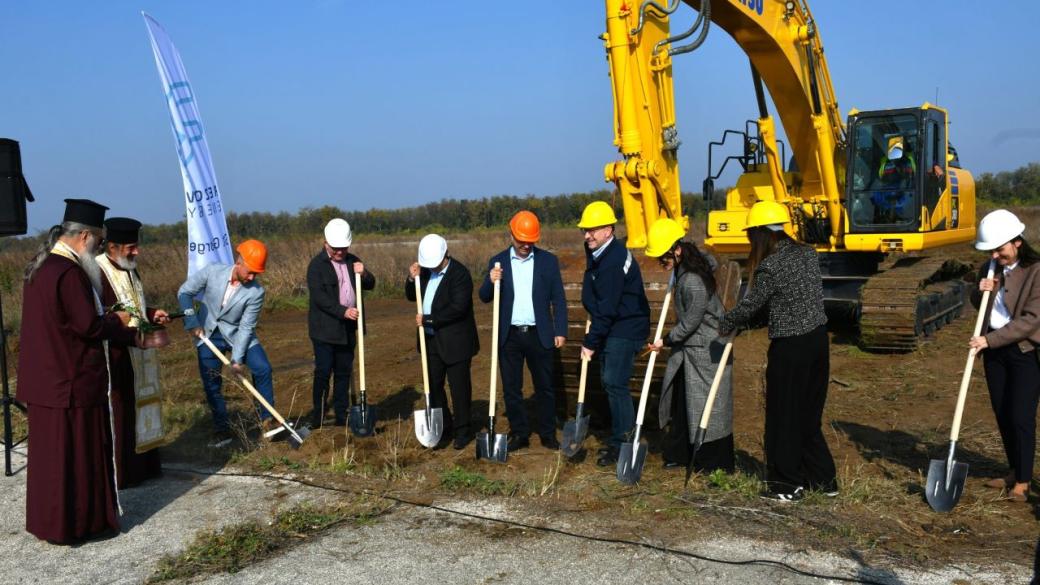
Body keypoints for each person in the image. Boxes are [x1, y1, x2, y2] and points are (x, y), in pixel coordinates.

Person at [17, 198, 134, 544]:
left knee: (50, 462)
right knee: (75, 459)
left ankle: (51, 523)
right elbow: (87, 325)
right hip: (71, 383)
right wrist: (118, 321)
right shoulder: (68, 273)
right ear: (84, 237)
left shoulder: (41, 266)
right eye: (97, 242)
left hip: (45, 381)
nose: (98, 249)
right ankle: (79, 524)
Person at [719, 200, 836, 502]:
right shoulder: (807, 254)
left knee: (783, 416)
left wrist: (726, 322)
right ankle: (823, 480)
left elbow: (752, 304)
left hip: (791, 348)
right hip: (818, 343)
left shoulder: (771, 265)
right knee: (808, 417)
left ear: (759, 234)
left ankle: (786, 485)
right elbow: (784, 299)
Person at [644, 218, 735, 473]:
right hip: (691, 351)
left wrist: (664, 341)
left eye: (663, 257)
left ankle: (711, 462)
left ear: (678, 250)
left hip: (706, 352)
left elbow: (691, 322)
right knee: (683, 405)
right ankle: (680, 453)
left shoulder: (691, 279)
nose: (661, 262)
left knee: (708, 408)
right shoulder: (683, 272)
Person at [478, 211, 568, 451]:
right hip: (510, 336)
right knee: (511, 389)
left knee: (545, 387)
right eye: (521, 241)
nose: (526, 245)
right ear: (511, 234)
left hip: (541, 334)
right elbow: (484, 297)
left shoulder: (548, 261)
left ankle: (548, 434)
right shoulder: (497, 262)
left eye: (531, 241)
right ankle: (519, 433)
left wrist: (560, 330)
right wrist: (490, 280)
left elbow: (558, 298)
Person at [969, 209, 1040, 503]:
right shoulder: (991, 268)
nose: (996, 256)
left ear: (1017, 242)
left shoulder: (1036, 271)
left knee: (1020, 415)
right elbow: (981, 306)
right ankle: (1013, 470)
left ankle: (1023, 481)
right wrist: (980, 290)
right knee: (1002, 412)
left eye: (1000, 250)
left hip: (1024, 352)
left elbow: (1031, 319)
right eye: (992, 251)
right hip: (993, 350)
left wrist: (989, 339)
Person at [177, 239, 274, 446]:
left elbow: (247, 327)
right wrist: (191, 321)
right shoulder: (213, 271)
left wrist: (237, 360)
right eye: (250, 271)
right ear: (239, 261)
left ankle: (267, 420)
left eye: (256, 274)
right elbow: (184, 293)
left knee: (263, 368)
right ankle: (222, 429)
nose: (252, 277)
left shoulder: (256, 292)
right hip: (208, 333)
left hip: (238, 333)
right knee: (211, 382)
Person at [576, 201, 651, 467]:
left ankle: (624, 442)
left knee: (614, 382)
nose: (587, 235)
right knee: (611, 383)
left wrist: (589, 342)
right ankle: (621, 435)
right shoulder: (599, 253)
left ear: (608, 229)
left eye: (592, 230)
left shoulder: (613, 261)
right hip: (614, 323)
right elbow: (594, 296)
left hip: (626, 327)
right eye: (585, 230)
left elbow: (606, 308)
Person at [96, 217, 169, 488]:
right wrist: (132, 334)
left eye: (136, 246)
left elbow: (136, 306)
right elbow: (106, 316)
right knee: (122, 412)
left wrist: (153, 313)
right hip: (117, 354)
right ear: (112, 247)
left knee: (141, 408)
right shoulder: (99, 271)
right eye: (130, 247)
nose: (136, 252)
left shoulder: (130, 268)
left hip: (140, 351)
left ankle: (145, 468)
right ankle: (124, 474)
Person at [405, 234, 479, 449]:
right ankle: (443, 425)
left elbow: (458, 308)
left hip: (456, 342)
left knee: (459, 387)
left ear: (445, 255)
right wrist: (412, 279)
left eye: (435, 264)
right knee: (433, 385)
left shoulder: (460, 274)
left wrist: (428, 319)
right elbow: (412, 296)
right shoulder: (426, 272)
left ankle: (463, 430)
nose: (432, 268)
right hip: (430, 340)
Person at [306, 219, 375, 428]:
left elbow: (371, 284)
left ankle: (341, 414)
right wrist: (343, 311)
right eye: (336, 248)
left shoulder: (353, 261)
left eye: (343, 248)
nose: (340, 252)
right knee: (324, 372)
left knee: (344, 372)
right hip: (325, 329)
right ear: (326, 243)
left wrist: (364, 273)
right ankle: (318, 415)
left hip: (348, 329)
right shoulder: (316, 266)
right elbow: (320, 299)